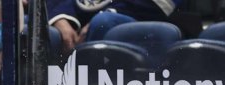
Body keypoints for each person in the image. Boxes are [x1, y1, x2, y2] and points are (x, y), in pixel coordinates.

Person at [47, 0, 187, 53]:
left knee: (103, 22)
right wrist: (61, 18)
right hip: (75, 18)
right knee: (43, 30)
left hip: (137, 18)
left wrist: (109, 11)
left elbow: (162, 4)